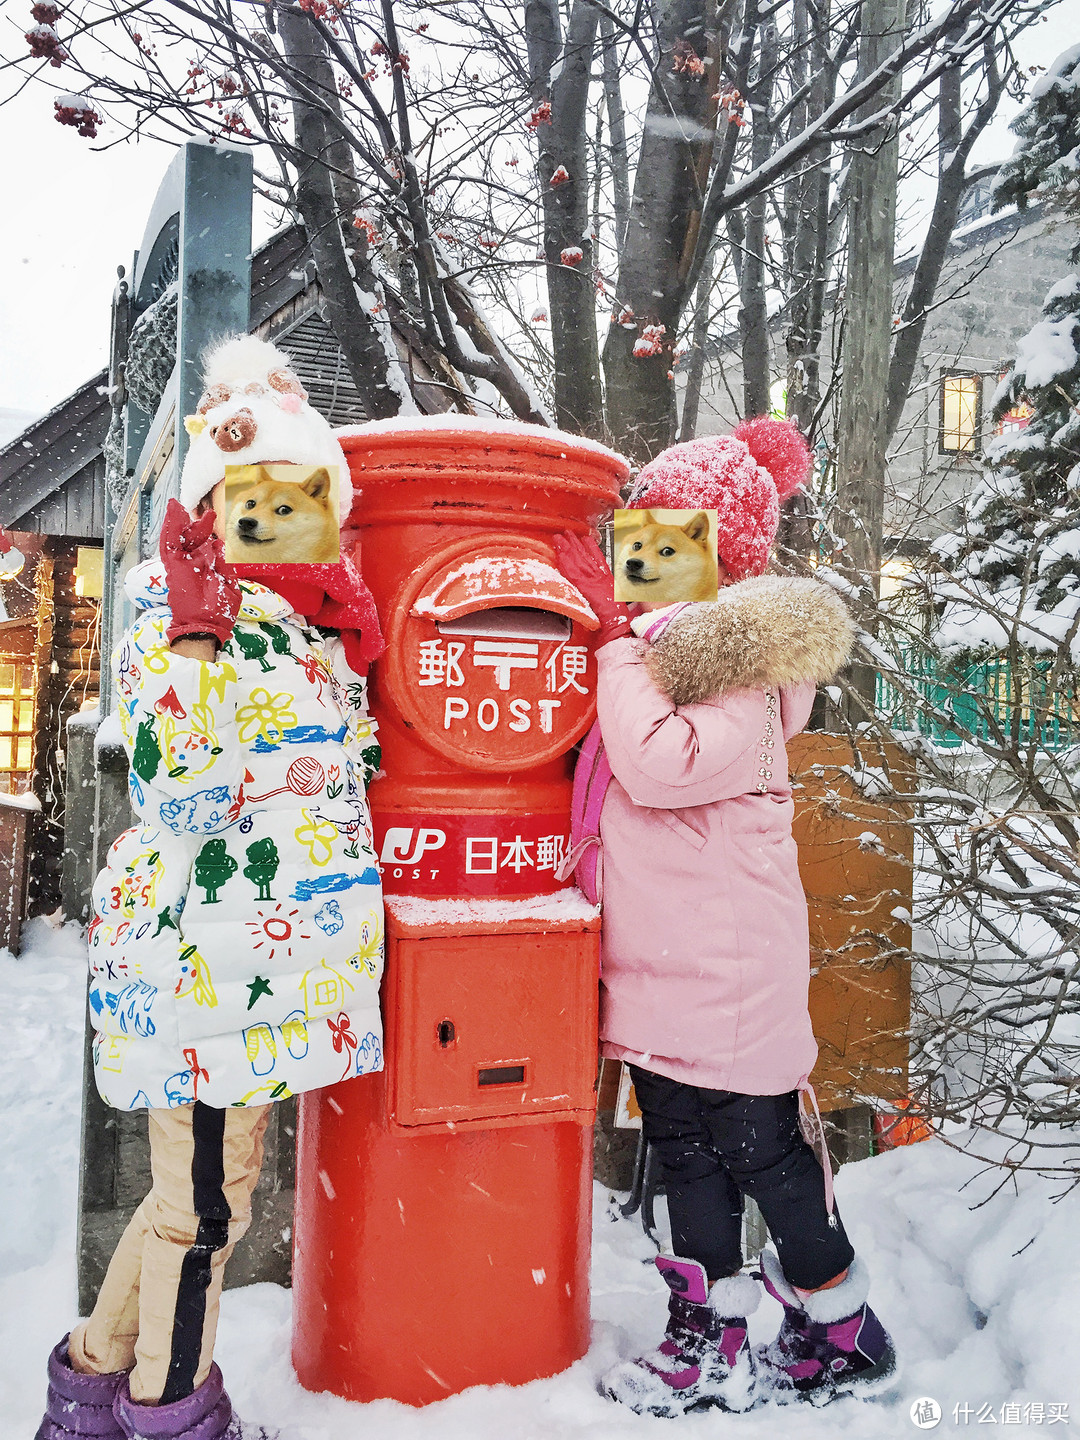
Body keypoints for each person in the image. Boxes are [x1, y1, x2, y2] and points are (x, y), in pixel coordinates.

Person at [36, 336, 385, 1440]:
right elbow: (180, 797)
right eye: (249, 496)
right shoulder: (178, 623)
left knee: (195, 1204)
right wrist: (191, 646)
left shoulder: (313, 635)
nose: (275, 515)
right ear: (205, 508)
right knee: (203, 1211)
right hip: (201, 967)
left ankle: (92, 1388)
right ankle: (173, 1413)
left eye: (302, 494)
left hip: (271, 973)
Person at [553, 417, 897, 1417]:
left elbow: (660, 767)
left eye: (679, 540)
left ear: (725, 556)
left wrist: (614, 654)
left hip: (729, 969)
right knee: (686, 1154)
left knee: (762, 1154)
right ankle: (707, 1334)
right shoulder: (665, 655)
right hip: (663, 965)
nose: (650, 560)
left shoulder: (738, 668)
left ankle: (841, 1327)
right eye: (641, 539)